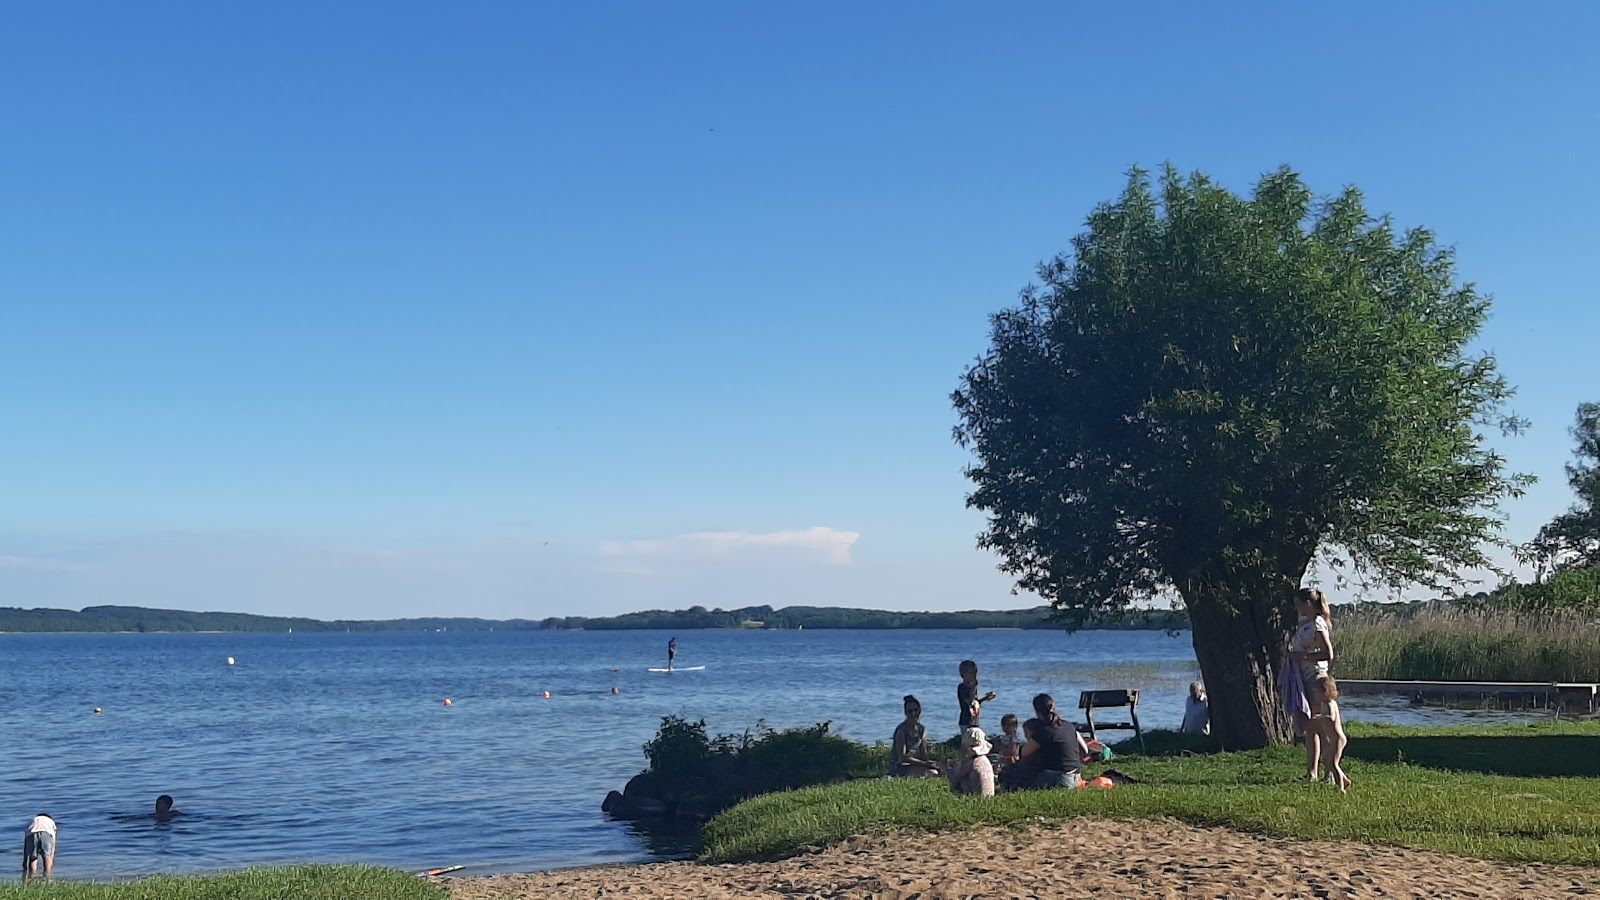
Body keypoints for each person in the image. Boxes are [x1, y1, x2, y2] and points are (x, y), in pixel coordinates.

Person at [1286, 587, 1335, 781]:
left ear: (1308, 603)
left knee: (1320, 725)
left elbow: (1327, 654)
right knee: (1311, 726)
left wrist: (1301, 656)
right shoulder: (1306, 625)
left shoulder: (1317, 624)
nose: (1296, 608)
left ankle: (1329, 771)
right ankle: (1312, 772)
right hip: (1304, 678)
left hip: (1315, 677)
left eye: (1298, 603)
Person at [1003, 693, 1090, 791]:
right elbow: (1085, 750)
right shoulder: (1069, 726)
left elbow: (1024, 753)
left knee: (1012, 772)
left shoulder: (1044, 731)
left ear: (1037, 711)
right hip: (1076, 777)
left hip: (1058, 779)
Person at [1308, 675, 1351, 791]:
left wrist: (1320, 718)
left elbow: (1330, 718)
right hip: (1333, 739)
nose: (1315, 695)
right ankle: (1345, 780)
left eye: (1317, 692)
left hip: (1337, 739)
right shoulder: (1323, 704)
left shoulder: (1329, 704)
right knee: (1326, 759)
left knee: (1332, 763)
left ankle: (1340, 788)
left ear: (1326, 692)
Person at [890, 695, 938, 777]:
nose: (913, 714)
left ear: (920, 711)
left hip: (915, 764)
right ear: (905, 713)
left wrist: (930, 763)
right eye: (910, 711)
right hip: (899, 767)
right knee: (932, 773)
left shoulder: (922, 729)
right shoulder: (902, 730)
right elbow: (903, 757)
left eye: (916, 710)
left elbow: (924, 753)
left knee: (940, 770)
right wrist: (924, 764)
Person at [945, 726, 995, 796]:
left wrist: (945, 769)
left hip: (976, 797)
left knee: (962, 780)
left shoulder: (970, 762)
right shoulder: (984, 760)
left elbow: (955, 780)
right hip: (989, 796)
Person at [956, 659, 997, 730]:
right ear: (963, 674)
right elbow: (969, 702)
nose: (974, 676)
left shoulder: (972, 687)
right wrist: (974, 687)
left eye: (975, 673)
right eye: (971, 673)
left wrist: (985, 698)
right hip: (966, 721)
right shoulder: (962, 687)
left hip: (974, 720)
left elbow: (975, 703)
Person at [22, 813, 56, 881]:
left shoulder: (33, 820)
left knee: (33, 857)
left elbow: (26, 838)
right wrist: (51, 857)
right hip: (46, 833)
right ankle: (47, 876)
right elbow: (53, 843)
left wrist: (25, 860)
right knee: (46, 856)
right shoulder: (51, 821)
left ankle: (32, 876)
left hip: (32, 834)